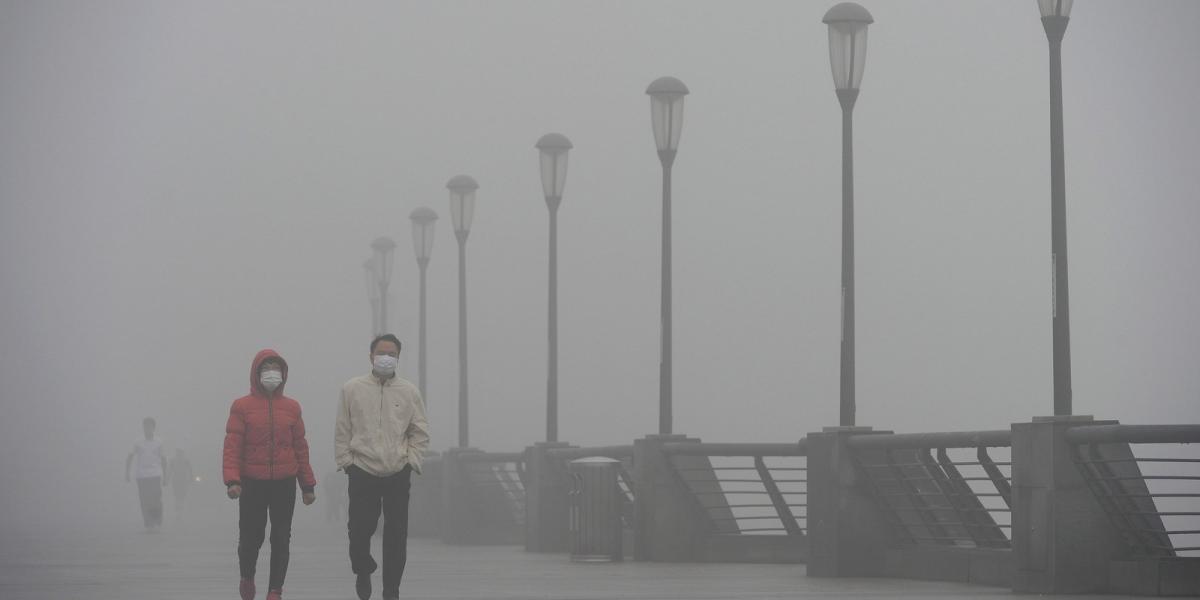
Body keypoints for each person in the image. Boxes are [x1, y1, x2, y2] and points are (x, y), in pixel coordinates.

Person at [335, 334, 429, 600]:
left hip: (397, 471)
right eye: (381, 352)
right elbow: (343, 428)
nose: (386, 358)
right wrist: (346, 462)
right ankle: (362, 570)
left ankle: (391, 590)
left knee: (396, 535)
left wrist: (412, 460)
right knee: (359, 530)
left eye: (392, 353)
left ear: (398, 358)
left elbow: (419, 430)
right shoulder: (352, 388)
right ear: (371, 356)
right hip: (361, 469)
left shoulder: (409, 392)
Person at [223, 350, 317, 600]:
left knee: (281, 537)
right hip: (252, 482)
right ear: (256, 373)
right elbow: (232, 445)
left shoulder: (292, 408)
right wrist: (232, 480)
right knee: (251, 536)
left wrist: (307, 484)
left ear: (284, 374)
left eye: (276, 368)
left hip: (284, 482)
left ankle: (275, 590)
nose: (272, 373)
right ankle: (247, 577)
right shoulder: (242, 406)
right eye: (267, 368)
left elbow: (300, 448)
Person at [125, 417, 168, 531]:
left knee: (156, 499)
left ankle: (157, 519)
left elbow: (163, 459)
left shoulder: (159, 442)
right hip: (142, 475)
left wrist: (165, 476)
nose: (147, 428)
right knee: (144, 500)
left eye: (149, 426)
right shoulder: (138, 442)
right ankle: (148, 523)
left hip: (155, 474)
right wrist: (127, 473)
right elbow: (130, 456)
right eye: (145, 426)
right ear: (143, 427)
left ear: (153, 428)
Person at [168, 448, 194, 521]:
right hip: (176, 480)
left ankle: (179, 510)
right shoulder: (173, 460)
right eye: (178, 453)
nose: (179, 454)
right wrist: (167, 478)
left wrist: (191, 477)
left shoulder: (186, 460)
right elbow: (170, 470)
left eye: (180, 453)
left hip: (183, 480)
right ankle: (178, 510)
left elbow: (190, 469)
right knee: (177, 495)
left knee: (182, 495)